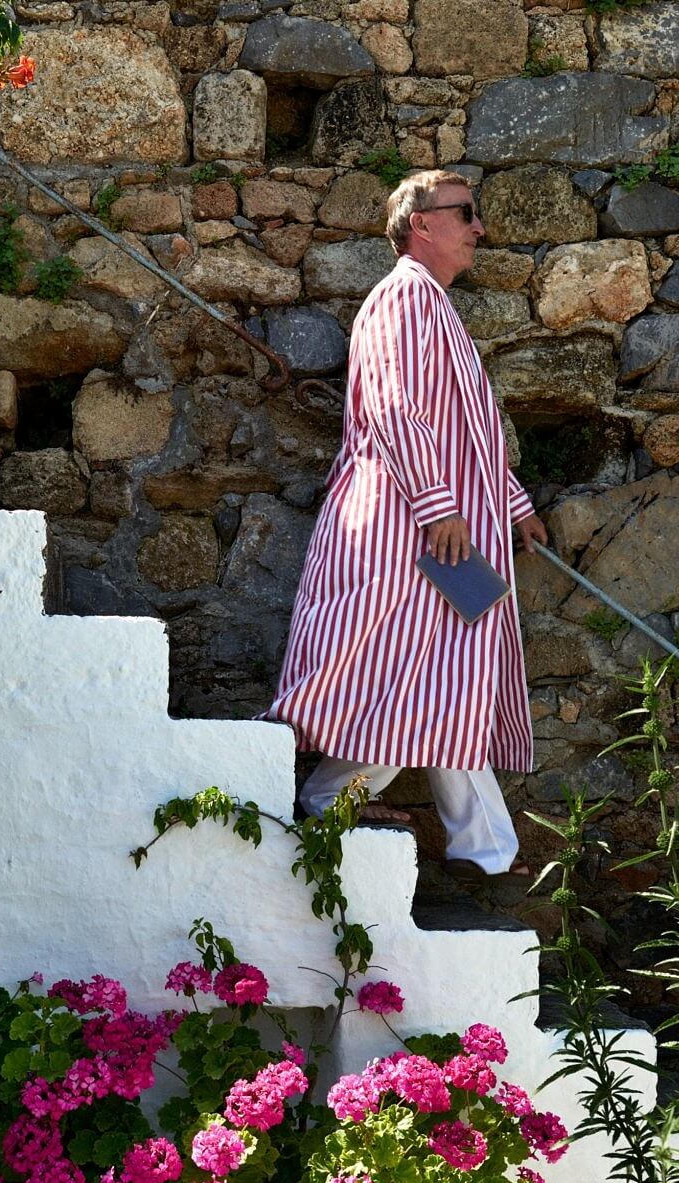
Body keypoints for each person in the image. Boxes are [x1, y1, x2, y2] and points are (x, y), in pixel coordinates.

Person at [264, 170, 548, 880]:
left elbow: (466, 435)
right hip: (410, 531)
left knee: (450, 675)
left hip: (443, 534)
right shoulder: (405, 298)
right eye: (466, 212)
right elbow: (395, 407)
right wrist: (436, 504)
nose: (479, 227)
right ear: (421, 224)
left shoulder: (433, 305)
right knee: (410, 676)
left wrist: (513, 505)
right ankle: (330, 799)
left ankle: (485, 852)